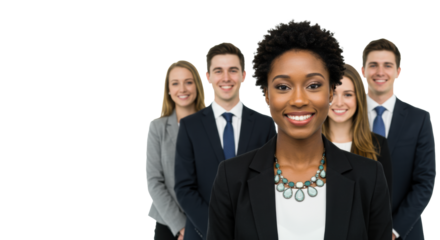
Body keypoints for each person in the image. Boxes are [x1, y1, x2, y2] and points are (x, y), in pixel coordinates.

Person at [207, 19, 392, 240]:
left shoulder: (368, 177)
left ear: (331, 92)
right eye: (283, 87)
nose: (298, 100)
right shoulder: (232, 178)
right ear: (266, 95)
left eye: (313, 85)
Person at [174, 42, 276, 240]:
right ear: (208, 77)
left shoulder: (264, 125)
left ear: (243, 76)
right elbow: (184, 187)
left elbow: (269, 182)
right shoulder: (190, 127)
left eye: (233, 70)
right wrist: (216, 231)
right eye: (219, 71)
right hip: (202, 233)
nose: (226, 78)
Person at [359, 38, 436, 240]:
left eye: (387, 65)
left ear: (398, 72)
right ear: (362, 71)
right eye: (373, 65)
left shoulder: (419, 119)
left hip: (404, 233)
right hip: (356, 230)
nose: (380, 72)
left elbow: (425, 181)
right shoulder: (348, 117)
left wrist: (393, 230)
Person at [146, 60, 207, 240]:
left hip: (205, 222)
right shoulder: (157, 128)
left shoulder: (212, 125)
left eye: (188, 82)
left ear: (197, 86)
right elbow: (154, 181)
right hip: (168, 223)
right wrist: (181, 227)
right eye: (175, 83)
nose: (182, 89)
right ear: (169, 90)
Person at [323, 62, 392, 196]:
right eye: (332, 94)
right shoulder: (308, 144)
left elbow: (384, 207)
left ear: (358, 98)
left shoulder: (378, 145)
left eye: (348, 94)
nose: (339, 102)